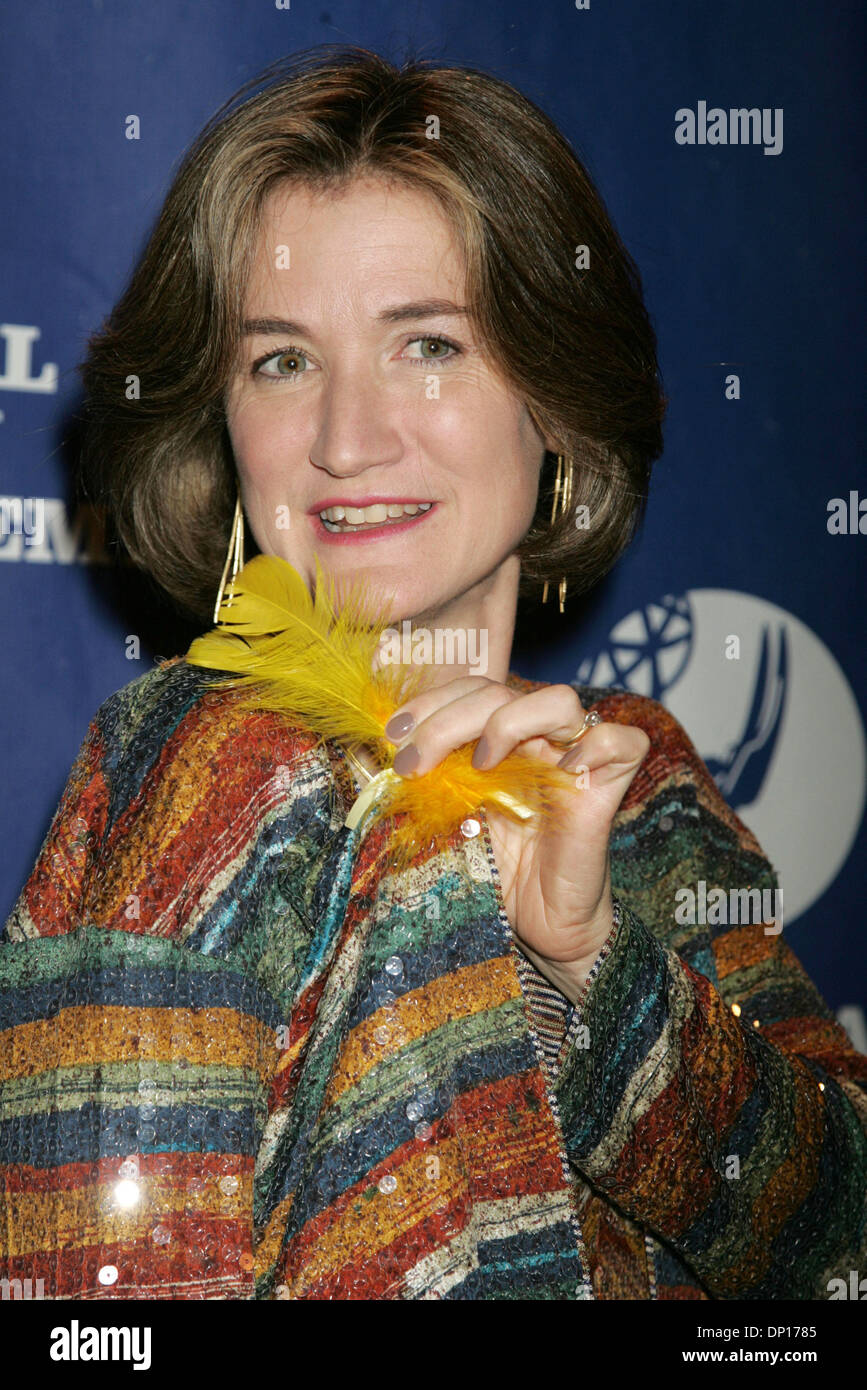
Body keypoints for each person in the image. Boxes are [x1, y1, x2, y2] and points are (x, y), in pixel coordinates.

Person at [1, 44, 864, 1303]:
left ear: (556, 401)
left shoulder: (642, 778)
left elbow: (835, 1244)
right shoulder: (196, 767)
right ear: (220, 418)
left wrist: (591, 963)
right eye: (281, 360)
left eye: (430, 346)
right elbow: (90, 1308)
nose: (349, 440)